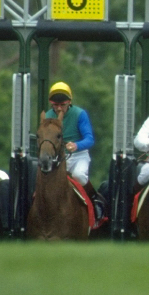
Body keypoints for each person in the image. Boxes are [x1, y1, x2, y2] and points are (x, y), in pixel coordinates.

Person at [45, 82, 104, 215]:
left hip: (79, 156)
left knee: (78, 175)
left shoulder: (80, 114)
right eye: (55, 105)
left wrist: (76, 145)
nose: (59, 108)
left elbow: (89, 139)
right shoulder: (48, 116)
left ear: (69, 102)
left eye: (63, 105)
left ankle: (94, 201)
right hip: (58, 158)